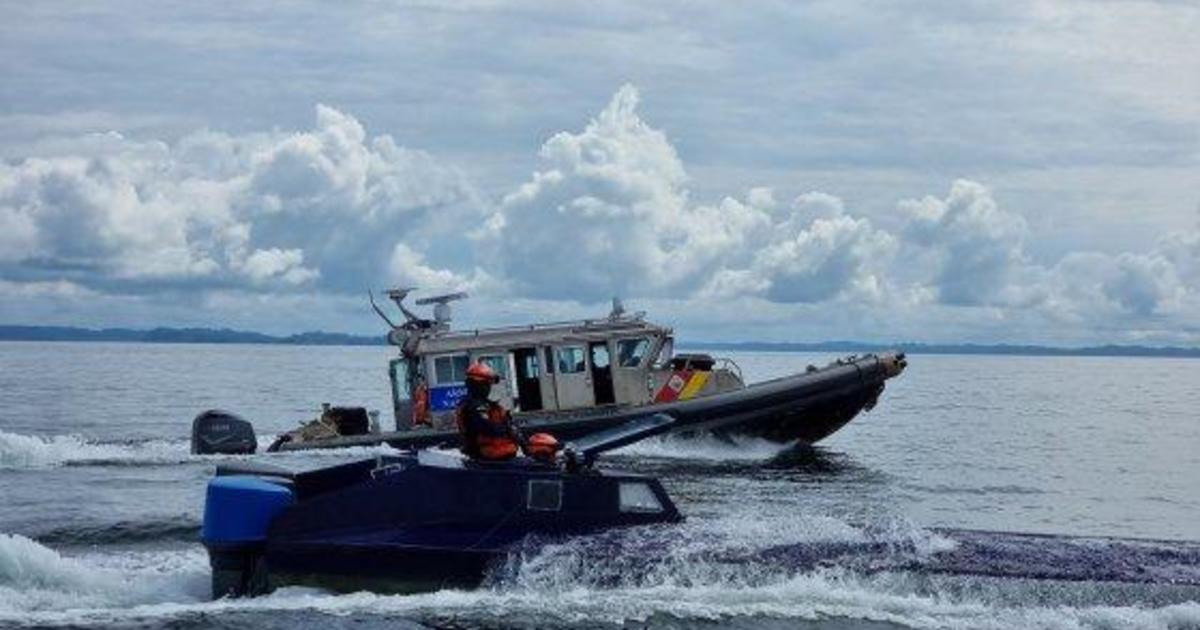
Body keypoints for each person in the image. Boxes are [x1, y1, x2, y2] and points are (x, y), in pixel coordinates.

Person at [456, 362, 522, 461]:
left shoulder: (490, 405)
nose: (488, 388)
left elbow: (508, 424)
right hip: (485, 458)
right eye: (485, 384)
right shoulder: (472, 407)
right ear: (474, 385)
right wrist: (508, 428)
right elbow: (487, 428)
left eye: (489, 384)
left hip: (502, 456)